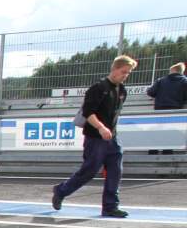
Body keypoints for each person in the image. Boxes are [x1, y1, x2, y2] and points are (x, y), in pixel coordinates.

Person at [52, 55, 138, 218]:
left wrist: (110, 131)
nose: (125, 75)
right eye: (123, 72)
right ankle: (61, 190)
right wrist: (101, 127)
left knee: (115, 170)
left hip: (112, 138)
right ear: (114, 69)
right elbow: (88, 112)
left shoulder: (122, 90)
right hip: (95, 138)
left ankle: (110, 206)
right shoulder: (98, 88)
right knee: (89, 171)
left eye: (128, 73)